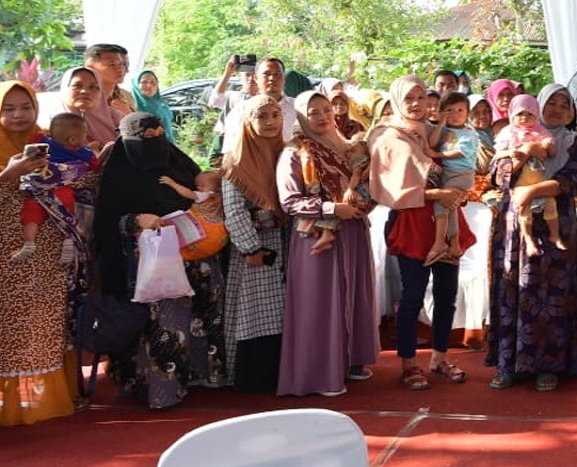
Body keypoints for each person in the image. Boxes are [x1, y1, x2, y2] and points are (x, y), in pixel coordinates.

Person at [93, 112, 226, 409]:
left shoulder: (179, 163)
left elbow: (204, 196)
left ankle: (203, 377)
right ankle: (163, 389)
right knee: (165, 325)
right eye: (145, 138)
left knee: (202, 320)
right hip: (153, 265)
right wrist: (136, 220)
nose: (153, 143)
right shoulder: (118, 175)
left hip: (199, 260)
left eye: (158, 135)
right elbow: (104, 224)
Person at [369, 77, 471, 392]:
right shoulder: (384, 135)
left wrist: (455, 191)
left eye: (420, 97)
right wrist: (436, 194)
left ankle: (439, 358)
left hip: (447, 217)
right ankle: (409, 364)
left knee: (446, 294)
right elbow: (387, 186)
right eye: (408, 98)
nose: (416, 104)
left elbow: (462, 163)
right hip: (411, 222)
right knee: (412, 296)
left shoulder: (432, 131)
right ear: (397, 99)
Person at [276, 92, 378, 397]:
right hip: (315, 235)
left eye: (326, 110)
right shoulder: (295, 153)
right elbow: (290, 202)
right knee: (321, 303)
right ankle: (320, 374)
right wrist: (334, 209)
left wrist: (362, 203)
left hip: (353, 231)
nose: (323, 117)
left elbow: (364, 183)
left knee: (354, 294)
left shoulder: (348, 148)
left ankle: (350, 361)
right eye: (313, 112)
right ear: (301, 118)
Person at [487, 84, 577, 392]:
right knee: (512, 286)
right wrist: (526, 153)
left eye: (563, 105)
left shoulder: (572, 142)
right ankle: (508, 364)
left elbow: (571, 181)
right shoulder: (511, 136)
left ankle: (549, 366)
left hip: (557, 224)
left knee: (552, 292)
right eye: (550, 103)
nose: (556, 109)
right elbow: (498, 177)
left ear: (572, 112)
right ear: (537, 106)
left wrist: (532, 190)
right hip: (515, 226)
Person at [0, 82, 86, 425]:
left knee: (44, 322)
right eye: (9, 108)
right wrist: (10, 174)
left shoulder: (50, 142)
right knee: (8, 325)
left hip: (48, 250)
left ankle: (48, 398)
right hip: (6, 256)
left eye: (26, 107)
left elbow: (82, 180)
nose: (19, 115)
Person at [220, 95, 288, 393]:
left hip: (284, 243)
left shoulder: (286, 153)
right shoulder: (237, 160)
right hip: (255, 250)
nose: (271, 122)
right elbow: (234, 210)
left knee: (281, 311)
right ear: (248, 120)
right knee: (254, 311)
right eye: (262, 116)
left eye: (275, 114)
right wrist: (252, 249)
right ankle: (253, 377)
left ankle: (280, 372)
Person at [14, 114, 98, 262]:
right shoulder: (84, 153)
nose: (86, 138)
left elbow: (34, 137)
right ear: (73, 140)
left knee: (31, 213)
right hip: (62, 190)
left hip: (38, 191)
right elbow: (96, 165)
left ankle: (29, 242)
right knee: (67, 214)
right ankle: (69, 240)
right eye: (84, 135)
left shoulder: (44, 143)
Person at [493, 94, 563, 257]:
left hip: (540, 181)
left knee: (550, 205)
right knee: (524, 211)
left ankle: (555, 234)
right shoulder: (508, 132)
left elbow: (552, 152)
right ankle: (529, 240)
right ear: (512, 114)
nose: (524, 118)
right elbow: (498, 165)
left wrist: (547, 145)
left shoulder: (540, 131)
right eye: (520, 114)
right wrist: (524, 150)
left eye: (529, 114)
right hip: (520, 185)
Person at [426, 92, 479, 262]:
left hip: (462, 174)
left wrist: (438, 155)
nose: (455, 115)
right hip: (448, 174)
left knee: (443, 202)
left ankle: (441, 241)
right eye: (449, 110)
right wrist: (441, 124)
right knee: (448, 206)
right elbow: (432, 142)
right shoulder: (444, 129)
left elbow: (459, 152)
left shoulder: (468, 133)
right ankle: (452, 244)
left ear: (467, 113)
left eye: (460, 110)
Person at [224, 59, 296, 150]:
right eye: (266, 74)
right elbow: (230, 149)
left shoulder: (299, 107)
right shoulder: (242, 110)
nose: (272, 78)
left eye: (277, 74)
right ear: (256, 78)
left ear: (284, 78)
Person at [46, 67, 124, 150]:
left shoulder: (116, 117)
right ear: (65, 89)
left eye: (93, 87)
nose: (85, 91)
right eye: (77, 86)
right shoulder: (53, 121)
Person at [84, 43, 134, 115]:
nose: (120, 69)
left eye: (122, 64)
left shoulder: (124, 97)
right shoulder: (83, 98)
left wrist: (128, 115)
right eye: (112, 64)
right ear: (90, 67)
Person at [131, 69, 175, 141]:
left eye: (153, 82)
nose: (149, 86)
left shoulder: (161, 103)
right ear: (136, 85)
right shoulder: (132, 105)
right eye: (144, 82)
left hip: (168, 145)